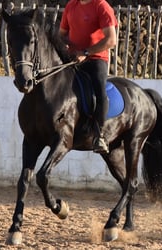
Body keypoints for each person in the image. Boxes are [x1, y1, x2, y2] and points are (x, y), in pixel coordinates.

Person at [59, 0, 117, 154]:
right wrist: (64, 45)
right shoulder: (71, 5)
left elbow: (111, 40)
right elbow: (61, 35)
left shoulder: (101, 6)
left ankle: (100, 135)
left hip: (96, 59)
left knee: (99, 91)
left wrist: (85, 53)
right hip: (73, 59)